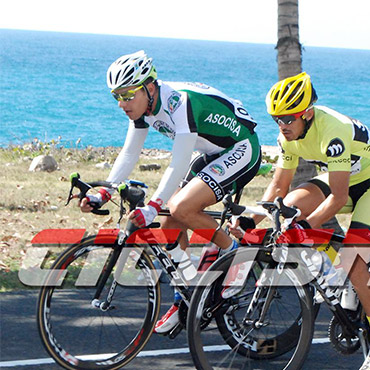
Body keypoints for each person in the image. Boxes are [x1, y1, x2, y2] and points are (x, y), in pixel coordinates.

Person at [79, 50, 261, 334]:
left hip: (240, 149)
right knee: (169, 226)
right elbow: (129, 153)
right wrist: (105, 189)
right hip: (210, 153)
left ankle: (236, 256)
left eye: (127, 94)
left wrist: (152, 205)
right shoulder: (143, 108)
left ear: (149, 87)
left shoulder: (179, 103)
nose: (121, 103)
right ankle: (185, 297)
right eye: (117, 95)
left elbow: (177, 163)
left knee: (180, 208)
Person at [229, 72, 370, 370]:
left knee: (354, 257)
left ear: (307, 113)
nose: (282, 126)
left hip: (366, 185)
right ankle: (334, 277)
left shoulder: (333, 131)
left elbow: (339, 197)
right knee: (289, 206)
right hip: (339, 177)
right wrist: (252, 218)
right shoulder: (287, 138)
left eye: (288, 119)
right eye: (276, 119)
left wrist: (305, 228)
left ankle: (349, 280)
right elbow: (278, 191)